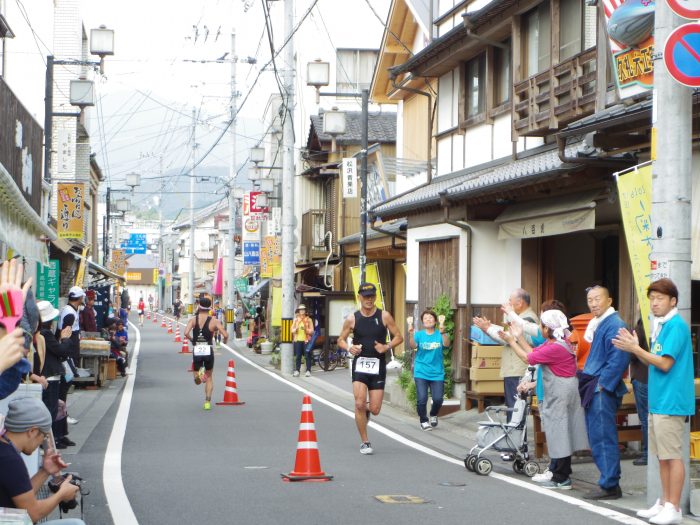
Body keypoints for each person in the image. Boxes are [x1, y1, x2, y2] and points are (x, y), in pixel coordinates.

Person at [613, 279, 695, 524]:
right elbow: (653, 361)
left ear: (673, 301)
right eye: (652, 299)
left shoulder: (676, 326)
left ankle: (674, 507)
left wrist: (636, 349)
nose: (655, 303)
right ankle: (663, 502)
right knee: (661, 457)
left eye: (660, 299)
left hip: (671, 401)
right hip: (659, 400)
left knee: (672, 456)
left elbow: (665, 363)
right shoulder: (661, 326)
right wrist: (637, 347)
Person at [501, 309, 589, 490]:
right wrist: (519, 337)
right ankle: (559, 473)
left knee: (560, 432)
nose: (540, 328)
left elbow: (528, 358)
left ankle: (561, 478)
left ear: (548, 328)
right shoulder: (557, 342)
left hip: (561, 393)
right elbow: (534, 354)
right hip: (563, 391)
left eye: (542, 325)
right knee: (560, 432)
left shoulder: (556, 347)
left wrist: (512, 340)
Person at [337, 282, 403, 455]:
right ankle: (365, 442)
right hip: (360, 364)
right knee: (359, 403)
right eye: (366, 297)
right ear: (359, 297)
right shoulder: (352, 318)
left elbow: (399, 337)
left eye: (372, 296)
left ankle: (365, 411)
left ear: (375, 297)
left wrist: (386, 347)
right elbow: (340, 339)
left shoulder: (384, 316)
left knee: (375, 409)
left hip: (378, 366)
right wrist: (349, 348)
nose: (369, 300)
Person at [578, 285, 629, 500]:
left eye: (598, 299)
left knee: (603, 435)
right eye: (590, 300)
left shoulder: (615, 324)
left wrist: (603, 385)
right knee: (598, 435)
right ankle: (608, 482)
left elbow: (619, 359)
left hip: (602, 387)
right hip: (597, 384)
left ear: (609, 300)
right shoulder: (602, 323)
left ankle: (609, 485)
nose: (593, 303)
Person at [0, 397, 84, 525]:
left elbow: (21, 495)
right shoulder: (11, 461)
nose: (41, 442)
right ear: (32, 431)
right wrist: (61, 494)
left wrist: (45, 471)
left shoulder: (5, 449)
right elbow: (32, 514)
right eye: (43, 436)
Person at [473, 289, 539, 423]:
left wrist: (487, 328)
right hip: (515, 368)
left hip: (518, 369)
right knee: (514, 407)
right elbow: (506, 334)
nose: (507, 303)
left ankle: (515, 441)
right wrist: (489, 327)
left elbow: (508, 337)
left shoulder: (527, 319)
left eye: (510, 301)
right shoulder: (522, 318)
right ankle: (515, 439)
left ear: (519, 303)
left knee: (515, 408)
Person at [37, 301, 74, 447]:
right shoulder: (45, 334)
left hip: (48, 376)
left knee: (55, 408)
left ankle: (55, 438)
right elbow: (61, 351)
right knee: (51, 410)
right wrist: (65, 339)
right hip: (50, 376)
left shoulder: (42, 334)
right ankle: (48, 443)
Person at [407, 310, 450, 431]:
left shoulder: (439, 334)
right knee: (422, 398)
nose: (428, 320)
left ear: (435, 321)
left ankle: (434, 414)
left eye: (430, 318)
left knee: (438, 399)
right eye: (425, 318)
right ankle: (424, 421)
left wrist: (443, 333)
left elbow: (447, 344)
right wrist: (411, 334)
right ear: (422, 322)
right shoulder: (419, 335)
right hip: (421, 371)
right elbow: (413, 346)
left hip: (437, 372)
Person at [184, 297, 228, 410]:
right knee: (209, 377)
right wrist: (224, 342)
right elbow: (226, 335)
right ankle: (207, 402)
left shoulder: (193, 320)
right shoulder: (214, 321)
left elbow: (186, 333)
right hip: (209, 350)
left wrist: (193, 340)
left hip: (197, 349)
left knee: (197, 380)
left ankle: (199, 376)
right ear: (209, 308)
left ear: (199, 306)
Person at [58, 286, 84, 427]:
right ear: (79, 298)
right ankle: (62, 415)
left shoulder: (70, 310)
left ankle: (62, 413)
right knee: (65, 383)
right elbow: (65, 334)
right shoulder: (70, 314)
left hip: (69, 352)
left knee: (66, 383)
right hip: (68, 353)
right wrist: (66, 354)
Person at [629, 317, 649, 467]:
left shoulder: (640, 329)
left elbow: (631, 354)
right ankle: (650, 453)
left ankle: (647, 453)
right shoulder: (655, 328)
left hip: (642, 377)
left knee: (645, 418)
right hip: (652, 378)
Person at [291, 305, 314, 377]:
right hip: (297, 340)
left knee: (307, 356)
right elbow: (292, 330)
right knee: (298, 356)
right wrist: (296, 329)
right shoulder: (296, 320)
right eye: (300, 310)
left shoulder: (309, 319)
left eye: (303, 310)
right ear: (298, 311)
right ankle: (297, 370)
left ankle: (308, 370)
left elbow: (312, 331)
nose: (302, 311)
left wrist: (306, 330)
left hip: (306, 340)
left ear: (305, 311)